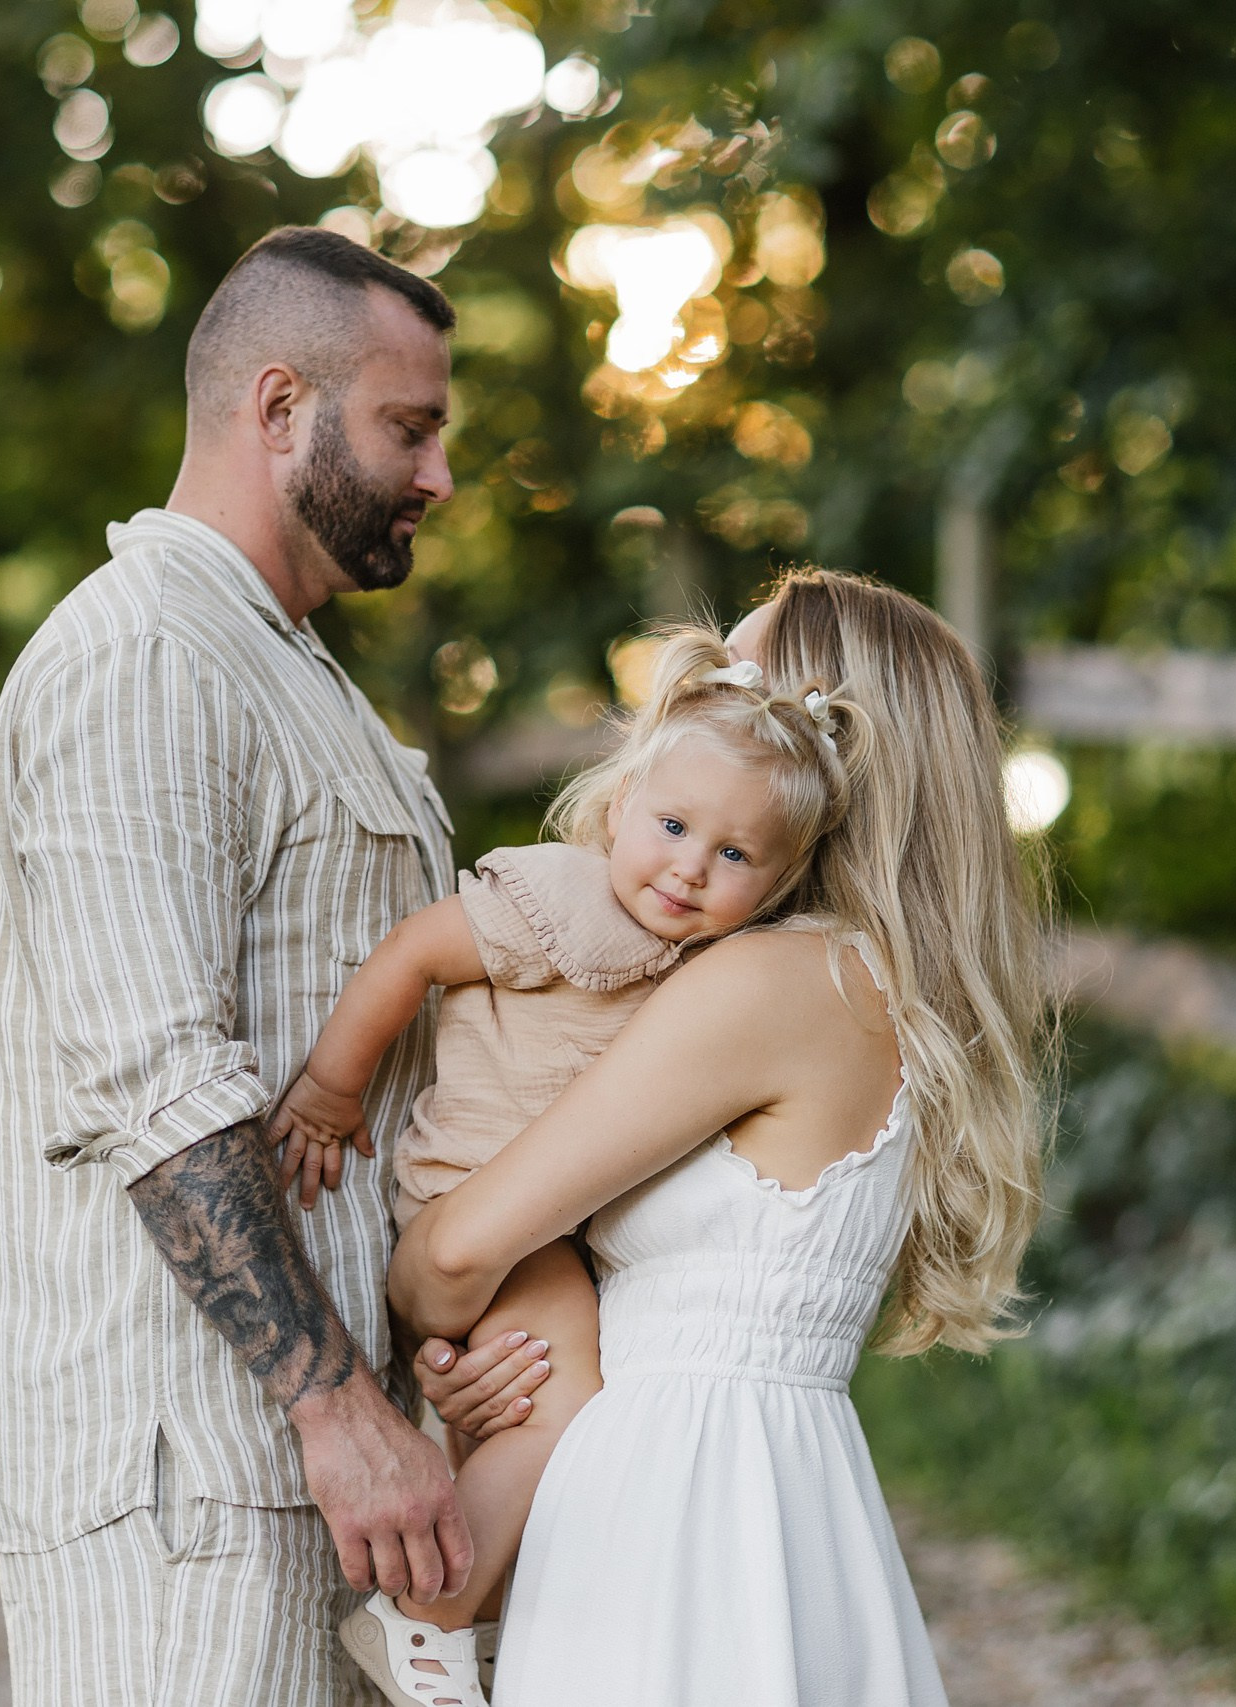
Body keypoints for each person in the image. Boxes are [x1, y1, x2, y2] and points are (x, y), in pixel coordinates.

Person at [0, 225, 515, 1706]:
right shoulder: (144, 657)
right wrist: (338, 1407)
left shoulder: (292, 669)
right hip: (191, 1481)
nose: (438, 475)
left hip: (316, 1464)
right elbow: (162, 1082)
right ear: (281, 410)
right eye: (411, 426)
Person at [397, 568, 1055, 1705]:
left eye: (736, 684)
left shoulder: (767, 983)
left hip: (670, 1500)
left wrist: (443, 1317)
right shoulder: (885, 992)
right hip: (792, 1495)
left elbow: (456, 1254)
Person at [264, 625, 867, 1707]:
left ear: (779, 885)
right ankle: (430, 1613)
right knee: (569, 1400)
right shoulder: (567, 904)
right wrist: (329, 1087)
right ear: (618, 805)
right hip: (480, 1197)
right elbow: (413, 954)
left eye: (734, 856)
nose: (687, 867)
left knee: (529, 1411)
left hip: (538, 1226)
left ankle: (475, 1612)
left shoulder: (721, 972)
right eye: (673, 826)